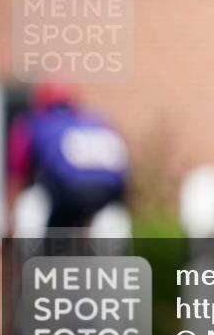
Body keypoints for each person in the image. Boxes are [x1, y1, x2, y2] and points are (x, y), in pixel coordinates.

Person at [7, 80, 130, 231]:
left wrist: (9, 225)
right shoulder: (99, 121)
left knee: (30, 201)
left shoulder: (34, 123)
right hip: (110, 194)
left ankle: (27, 253)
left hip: (64, 192)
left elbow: (17, 175)